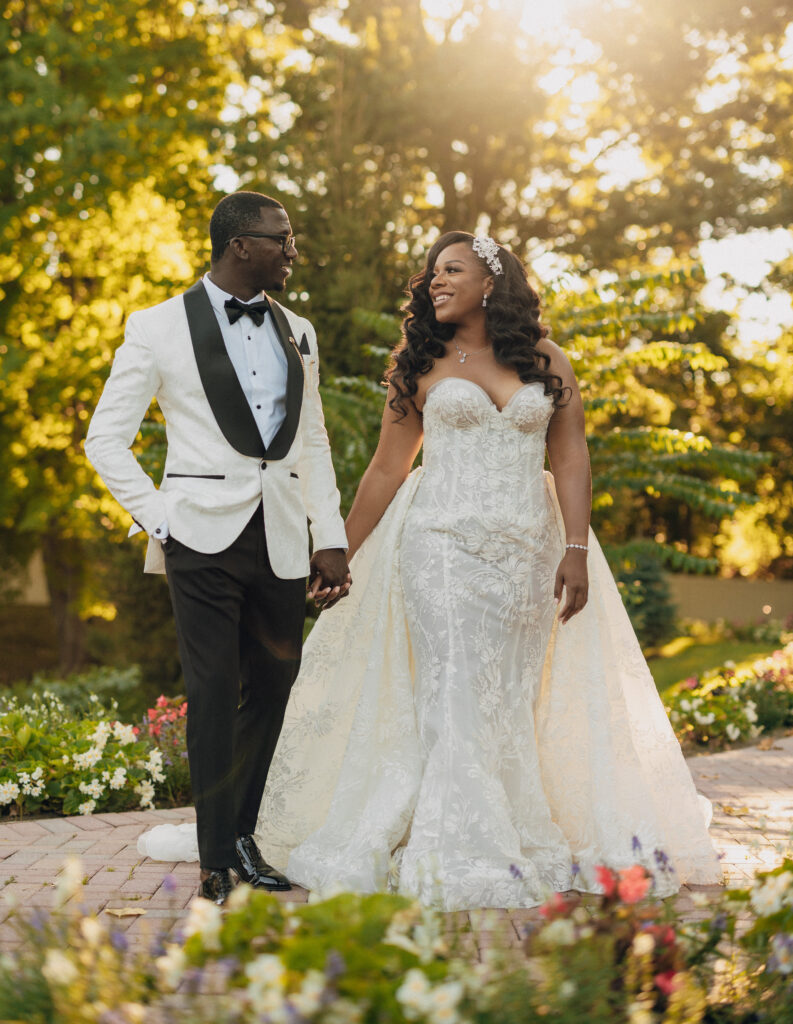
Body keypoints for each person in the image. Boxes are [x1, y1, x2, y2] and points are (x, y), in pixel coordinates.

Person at [140, 231, 723, 912]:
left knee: (506, 694)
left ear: (490, 283)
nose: (435, 281)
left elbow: (569, 459)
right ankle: (456, 845)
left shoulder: (546, 359)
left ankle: (510, 824)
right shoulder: (417, 363)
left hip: (527, 555)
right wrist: (337, 549)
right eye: (432, 272)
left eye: (453, 270)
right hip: (440, 544)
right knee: (452, 688)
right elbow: (388, 468)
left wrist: (572, 549)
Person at [85, 191, 350, 906]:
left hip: (282, 538)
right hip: (197, 536)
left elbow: (313, 441)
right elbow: (104, 439)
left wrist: (329, 536)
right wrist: (158, 517)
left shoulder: (299, 330)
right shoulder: (157, 327)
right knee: (208, 693)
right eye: (282, 238)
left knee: (271, 689)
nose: (293, 250)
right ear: (241, 245)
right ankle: (214, 858)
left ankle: (240, 832)